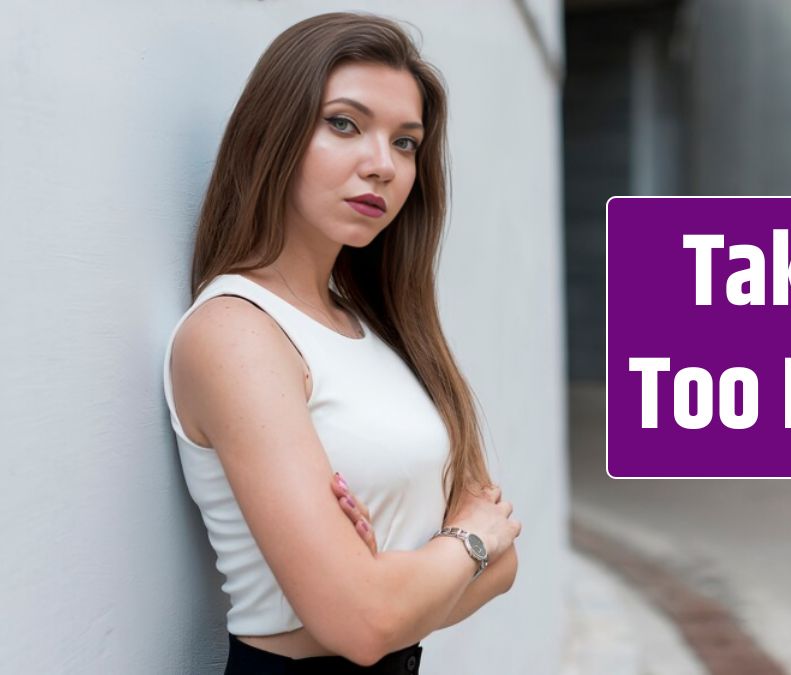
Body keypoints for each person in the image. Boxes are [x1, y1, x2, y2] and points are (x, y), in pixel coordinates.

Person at [161, 12, 521, 673]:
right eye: (345, 124)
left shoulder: (378, 326)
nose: (382, 165)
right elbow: (364, 622)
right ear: (274, 134)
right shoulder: (236, 333)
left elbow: (505, 569)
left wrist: (395, 576)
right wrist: (466, 540)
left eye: (407, 143)